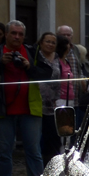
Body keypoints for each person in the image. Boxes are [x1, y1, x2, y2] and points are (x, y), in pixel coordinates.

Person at [0, 20, 44, 176]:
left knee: (34, 152)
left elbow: (44, 74)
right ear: (6, 35)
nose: (17, 37)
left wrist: (28, 66)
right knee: (3, 152)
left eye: (20, 34)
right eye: (13, 33)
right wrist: (0, 63)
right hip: (3, 109)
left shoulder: (32, 51)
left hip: (30, 108)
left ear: (24, 36)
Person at [35, 32, 61, 165]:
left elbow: (59, 80)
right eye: (47, 41)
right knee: (37, 139)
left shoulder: (57, 58)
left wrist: (57, 97)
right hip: (36, 102)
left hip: (52, 105)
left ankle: (51, 166)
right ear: (41, 42)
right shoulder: (35, 56)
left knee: (52, 138)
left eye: (53, 42)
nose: (50, 44)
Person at [56, 24, 88, 127]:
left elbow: (79, 68)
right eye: (63, 34)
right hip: (61, 97)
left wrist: (83, 80)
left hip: (76, 95)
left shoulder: (76, 50)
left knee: (75, 127)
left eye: (68, 35)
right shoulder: (56, 51)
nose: (66, 37)